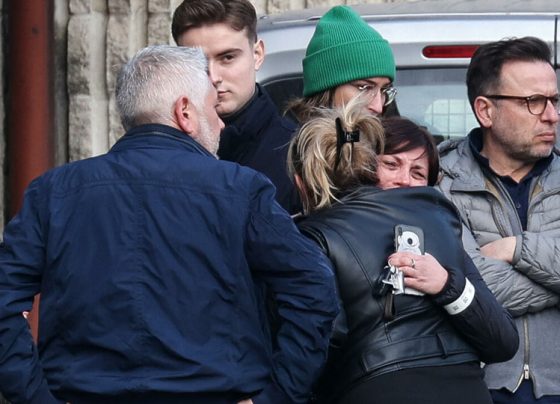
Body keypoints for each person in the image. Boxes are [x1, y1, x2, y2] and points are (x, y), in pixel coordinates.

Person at [0, 45, 339, 404]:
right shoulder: (240, 189)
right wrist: (275, 396)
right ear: (185, 112)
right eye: (213, 108)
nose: (221, 123)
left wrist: (36, 397)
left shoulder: (54, 193)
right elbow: (314, 287)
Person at [288, 98, 518, 404]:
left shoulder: (439, 228)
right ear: (364, 165)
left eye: (418, 173)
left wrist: (447, 285)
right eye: (391, 164)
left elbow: (503, 341)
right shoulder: (437, 221)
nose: (404, 180)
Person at [438, 36, 560, 403]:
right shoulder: (440, 183)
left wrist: (515, 249)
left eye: (554, 100)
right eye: (533, 102)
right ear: (486, 111)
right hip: (478, 390)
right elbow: (468, 287)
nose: (552, 115)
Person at [171, 0, 300, 214]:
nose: (213, 77)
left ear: (257, 55)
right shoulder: (166, 153)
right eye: (197, 63)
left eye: (227, 57)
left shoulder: (297, 157)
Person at [286, 5, 399, 124]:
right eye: (365, 87)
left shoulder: (395, 134)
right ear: (325, 91)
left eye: (384, 90)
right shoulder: (281, 135)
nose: (378, 107)